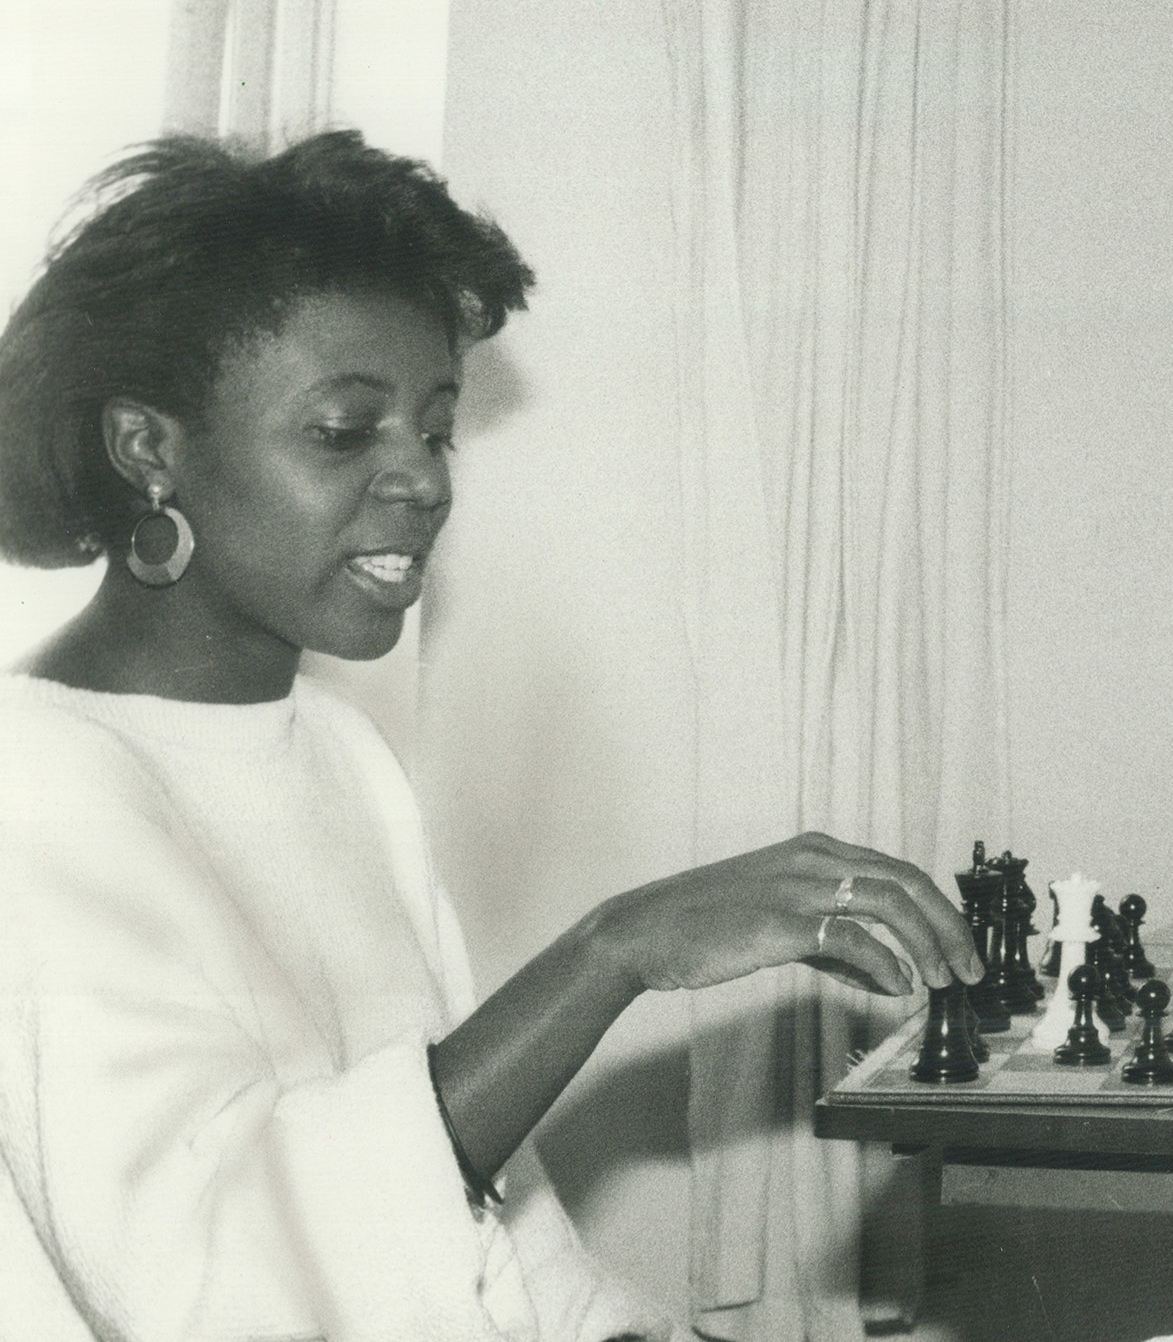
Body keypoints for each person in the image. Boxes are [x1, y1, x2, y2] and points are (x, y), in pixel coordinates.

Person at [0, 134, 985, 1341]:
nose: (422, 479)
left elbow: (487, 1245)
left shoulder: (336, 751)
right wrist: (616, 951)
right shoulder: (37, 788)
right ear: (150, 448)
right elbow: (217, 1294)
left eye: (436, 426)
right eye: (345, 432)